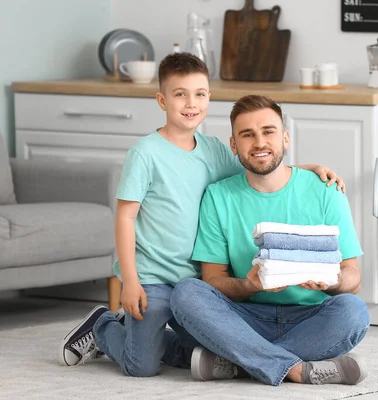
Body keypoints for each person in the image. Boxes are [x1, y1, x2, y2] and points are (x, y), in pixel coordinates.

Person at [57, 53, 345, 377]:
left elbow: (258, 165)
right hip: (153, 278)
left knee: (212, 345)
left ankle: (190, 350)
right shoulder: (145, 153)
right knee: (141, 366)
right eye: (180, 94)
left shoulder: (215, 150)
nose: (191, 103)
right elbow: (125, 218)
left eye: (200, 94)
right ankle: (103, 326)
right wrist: (130, 281)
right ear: (161, 100)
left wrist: (308, 168)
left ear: (209, 97)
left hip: (194, 283)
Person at [170, 94, 370, 387]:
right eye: (247, 135)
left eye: (268, 132)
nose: (259, 142)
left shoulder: (326, 190)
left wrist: (332, 281)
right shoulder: (218, 196)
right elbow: (212, 279)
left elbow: (354, 280)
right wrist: (248, 285)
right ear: (234, 145)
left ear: (285, 138)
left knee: (353, 312)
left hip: (309, 316)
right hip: (244, 316)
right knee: (186, 294)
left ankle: (238, 363)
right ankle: (294, 369)